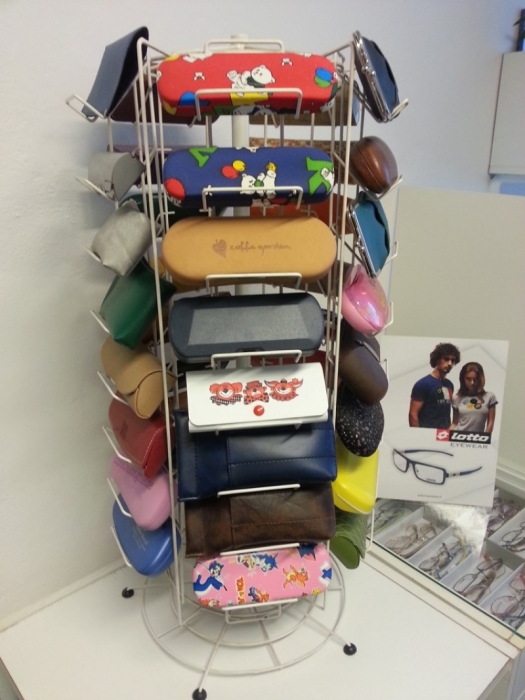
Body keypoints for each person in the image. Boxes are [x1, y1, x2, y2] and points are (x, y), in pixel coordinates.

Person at [409, 343, 461, 429]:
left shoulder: (449, 384)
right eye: (446, 359)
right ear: (437, 359)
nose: (450, 363)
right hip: (427, 432)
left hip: (443, 433)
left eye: (452, 360)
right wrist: (418, 434)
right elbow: (413, 414)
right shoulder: (423, 384)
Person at [451, 362, 497, 433]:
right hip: (458, 436)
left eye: (475, 379)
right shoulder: (456, 398)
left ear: (480, 379)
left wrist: (485, 437)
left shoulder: (490, 397)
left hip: (478, 438)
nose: (472, 382)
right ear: (463, 379)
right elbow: (454, 423)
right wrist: (445, 436)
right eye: (468, 379)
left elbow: (490, 423)